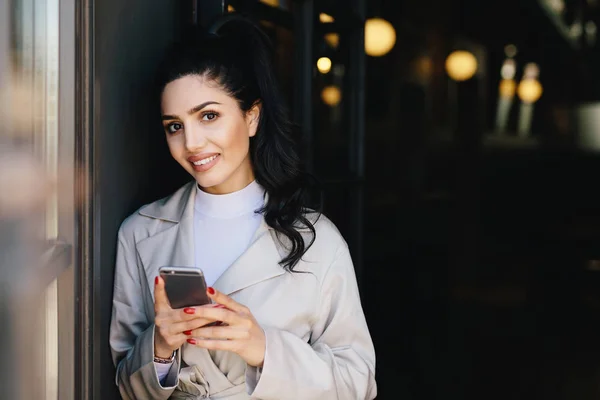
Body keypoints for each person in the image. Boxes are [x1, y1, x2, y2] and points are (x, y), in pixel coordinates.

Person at [109, 15, 377, 400]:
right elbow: (123, 383)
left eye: (209, 116)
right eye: (174, 126)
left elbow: (359, 382)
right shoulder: (140, 232)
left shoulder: (317, 241)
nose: (192, 143)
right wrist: (160, 347)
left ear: (251, 116)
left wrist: (264, 348)